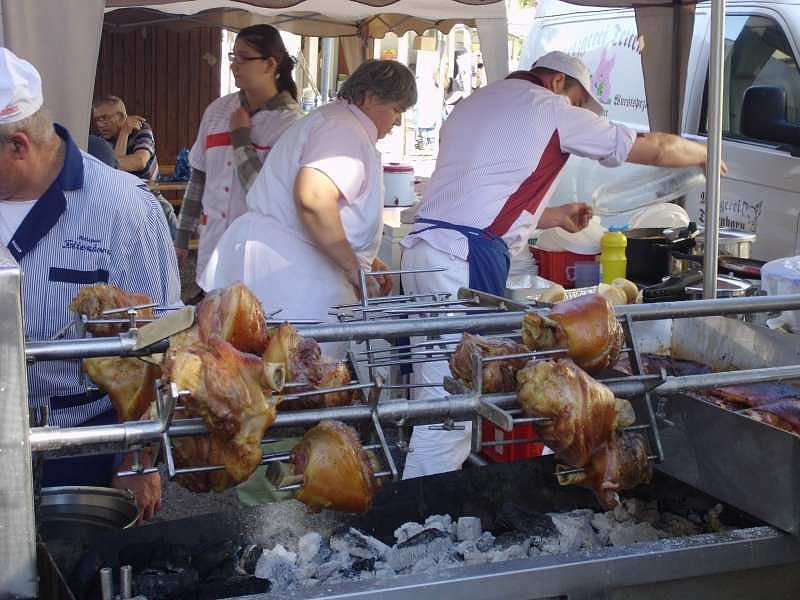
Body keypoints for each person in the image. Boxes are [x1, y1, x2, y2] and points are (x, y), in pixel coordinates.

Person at [400, 50, 726, 479]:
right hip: (462, 259)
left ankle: (417, 489)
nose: (576, 110)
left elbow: (483, 193)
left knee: (433, 386)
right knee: (455, 403)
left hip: (423, 250)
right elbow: (652, 147)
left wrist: (554, 216)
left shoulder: (479, 100)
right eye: (577, 100)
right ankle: (425, 504)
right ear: (558, 82)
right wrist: (704, 152)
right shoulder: (550, 107)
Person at [0, 48, 180, 520]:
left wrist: (139, 459)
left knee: (78, 562)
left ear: (18, 146)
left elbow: (159, 342)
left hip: (81, 443)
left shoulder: (125, 208)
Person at [200, 59, 416, 357]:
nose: (398, 122)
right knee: (292, 371)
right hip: (288, 279)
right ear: (369, 98)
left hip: (287, 270)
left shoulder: (338, 122)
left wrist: (365, 255)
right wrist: (354, 267)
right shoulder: (342, 129)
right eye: (396, 110)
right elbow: (314, 199)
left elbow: (332, 207)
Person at [174, 24, 304, 291]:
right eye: (233, 56)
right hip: (212, 250)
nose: (234, 65)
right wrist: (181, 238)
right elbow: (198, 179)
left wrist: (241, 140)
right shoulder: (218, 110)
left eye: (243, 58)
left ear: (270, 64)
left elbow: (265, 195)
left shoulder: (290, 124)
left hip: (259, 258)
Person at [92, 94, 178, 237]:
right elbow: (115, 171)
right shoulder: (99, 140)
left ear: (121, 117)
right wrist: (124, 133)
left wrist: (112, 163)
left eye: (105, 118)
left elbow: (139, 162)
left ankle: (177, 247)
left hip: (147, 194)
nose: (100, 124)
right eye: (97, 119)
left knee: (167, 217)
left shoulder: (141, 129)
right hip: (116, 198)